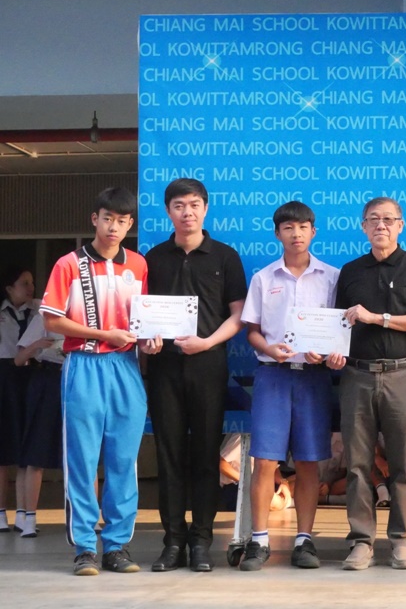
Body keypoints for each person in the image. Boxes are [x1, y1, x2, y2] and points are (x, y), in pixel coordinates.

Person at [40, 187, 161, 576]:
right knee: (83, 459)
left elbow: (142, 320)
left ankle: (117, 546)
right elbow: (51, 320)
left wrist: (150, 340)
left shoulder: (138, 265)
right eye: (108, 218)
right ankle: (85, 548)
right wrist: (103, 334)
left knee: (124, 459)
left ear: (130, 224)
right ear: (95, 219)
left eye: (122, 221)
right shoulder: (68, 264)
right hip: (83, 364)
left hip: (126, 366)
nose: (114, 227)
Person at [145, 178, 247, 572]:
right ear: (168, 211)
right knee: (169, 455)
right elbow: (142, 314)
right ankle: (173, 542)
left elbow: (238, 315)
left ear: (205, 208)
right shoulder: (153, 258)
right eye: (179, 206)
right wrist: (147, 341)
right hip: (164, 367)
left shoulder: (225, 256)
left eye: (193, 205)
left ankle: (202, 541)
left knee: (206, 454)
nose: (187, 212)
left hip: (208, 365)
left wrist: (207, 343)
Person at [332, 196, 406, 571]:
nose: (381, 225)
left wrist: (377, 318)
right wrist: (332, 351)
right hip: (356, 376)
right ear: (363, 226)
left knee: (403, 465)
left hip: (402, 376)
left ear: (401, 225)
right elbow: (337, 325)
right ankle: (361, 542)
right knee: (357, 466)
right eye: (373, 219)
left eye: (389, 219)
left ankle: (402, 543)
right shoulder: (350, 271)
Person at [238, 200, 339, 572]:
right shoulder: (264, 278)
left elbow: (340, 329)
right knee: (265, 460)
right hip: (273, 376)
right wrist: (269, 348)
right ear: (277, 233)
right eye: (288, 228)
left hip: (314, 377)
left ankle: (304, 540)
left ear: (314, 231)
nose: (296, 234)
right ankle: (259, 540)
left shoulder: (332, 277)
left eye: (303, 227)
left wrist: (326, 353)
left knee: (309, 460)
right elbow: (252, 331)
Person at [13, 311, 65, 538]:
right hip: (47, 378)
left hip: (76, 375)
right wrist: (38, 345)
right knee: (37, 448)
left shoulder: (86, 314)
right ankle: (29, 519)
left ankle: (88, 518)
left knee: (83, 450)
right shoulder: (44, 316)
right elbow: (19, 359)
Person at [0, 266, 36, 534]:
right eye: (24, 283)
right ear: (9, 288)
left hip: (31, 375)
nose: (30, 288)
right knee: (3, 446)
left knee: (28, 441)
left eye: (32, 283)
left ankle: (24, 513)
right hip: (4, 375)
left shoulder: (38, 312)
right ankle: (1, 511)